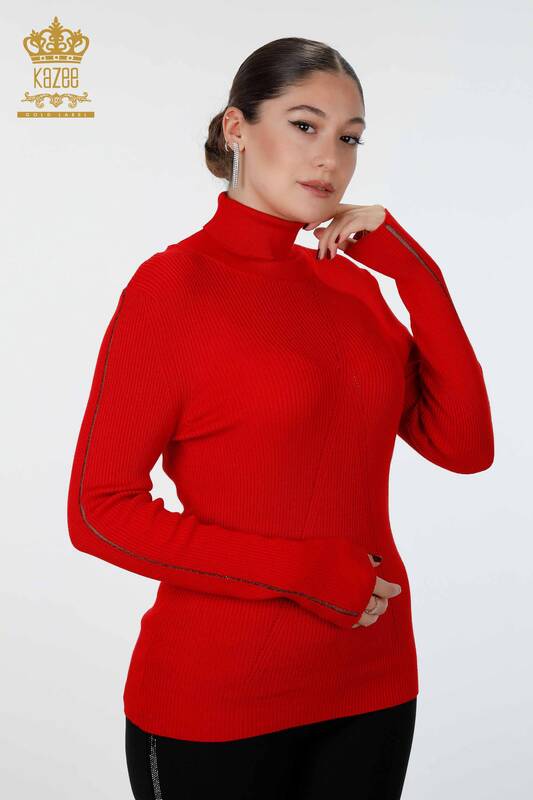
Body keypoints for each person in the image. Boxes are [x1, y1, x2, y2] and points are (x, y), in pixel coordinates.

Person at [67, 36, 494, 799]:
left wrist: (415, 274)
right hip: (217, 699)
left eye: (349, 138)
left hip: (371, 681)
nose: (329, 158)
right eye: (304, 125)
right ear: (237, 128)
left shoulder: (353, 289)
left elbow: (463, 447)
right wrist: (304, 573)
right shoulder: (171, 290)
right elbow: (99, 512)